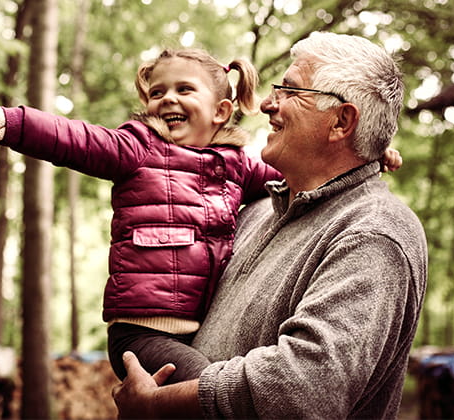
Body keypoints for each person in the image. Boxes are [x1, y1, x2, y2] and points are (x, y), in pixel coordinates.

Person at [112, 31, 427, 419]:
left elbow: (304, 389)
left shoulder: (372, 233)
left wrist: (158, 405)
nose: (265, 103)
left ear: (341, 122)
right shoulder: (257, 211)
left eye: (289, 91)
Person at [0, 48, 286, 383]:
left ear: (220, 111)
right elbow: (71, 138)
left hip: (203, 327)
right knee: (213, 388)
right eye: (157, 93)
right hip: (141, 333)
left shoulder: (236, 166)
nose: (168, 98)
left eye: (184, 89)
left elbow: (289, 177)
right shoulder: (138, 148)